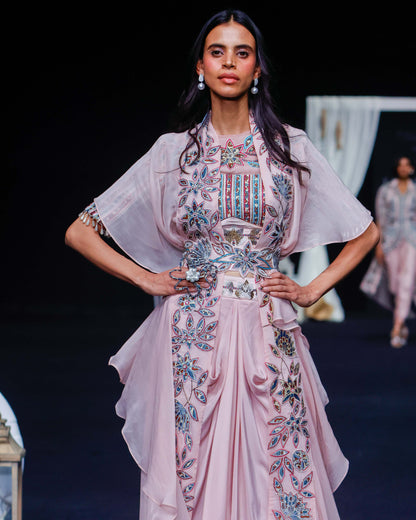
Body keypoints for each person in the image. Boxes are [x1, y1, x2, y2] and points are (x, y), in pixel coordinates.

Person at [65, 9, 379, 520]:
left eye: (242, 52)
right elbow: (80, 231)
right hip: (190, 336)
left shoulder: (289, 149)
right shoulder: (173, 153)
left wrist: (311, 288)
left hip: (266, 331)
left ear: (258, 71)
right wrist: (146, 278)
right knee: (194, 463)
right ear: (200, 68)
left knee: (279, 467)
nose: (228, 62)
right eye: (217, 51)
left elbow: (365, 231)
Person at [361, 156, 416, 348]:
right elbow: (380, 219)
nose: (403, 168)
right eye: (400, 165)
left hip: (412, 241)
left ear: (411, 168)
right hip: (390, 241)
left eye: (406, 165)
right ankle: (401, 323)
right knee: (394, 285)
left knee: (406, 282)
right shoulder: (385, 190)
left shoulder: (415, 190)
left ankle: (397, 325)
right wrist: (378, 244)